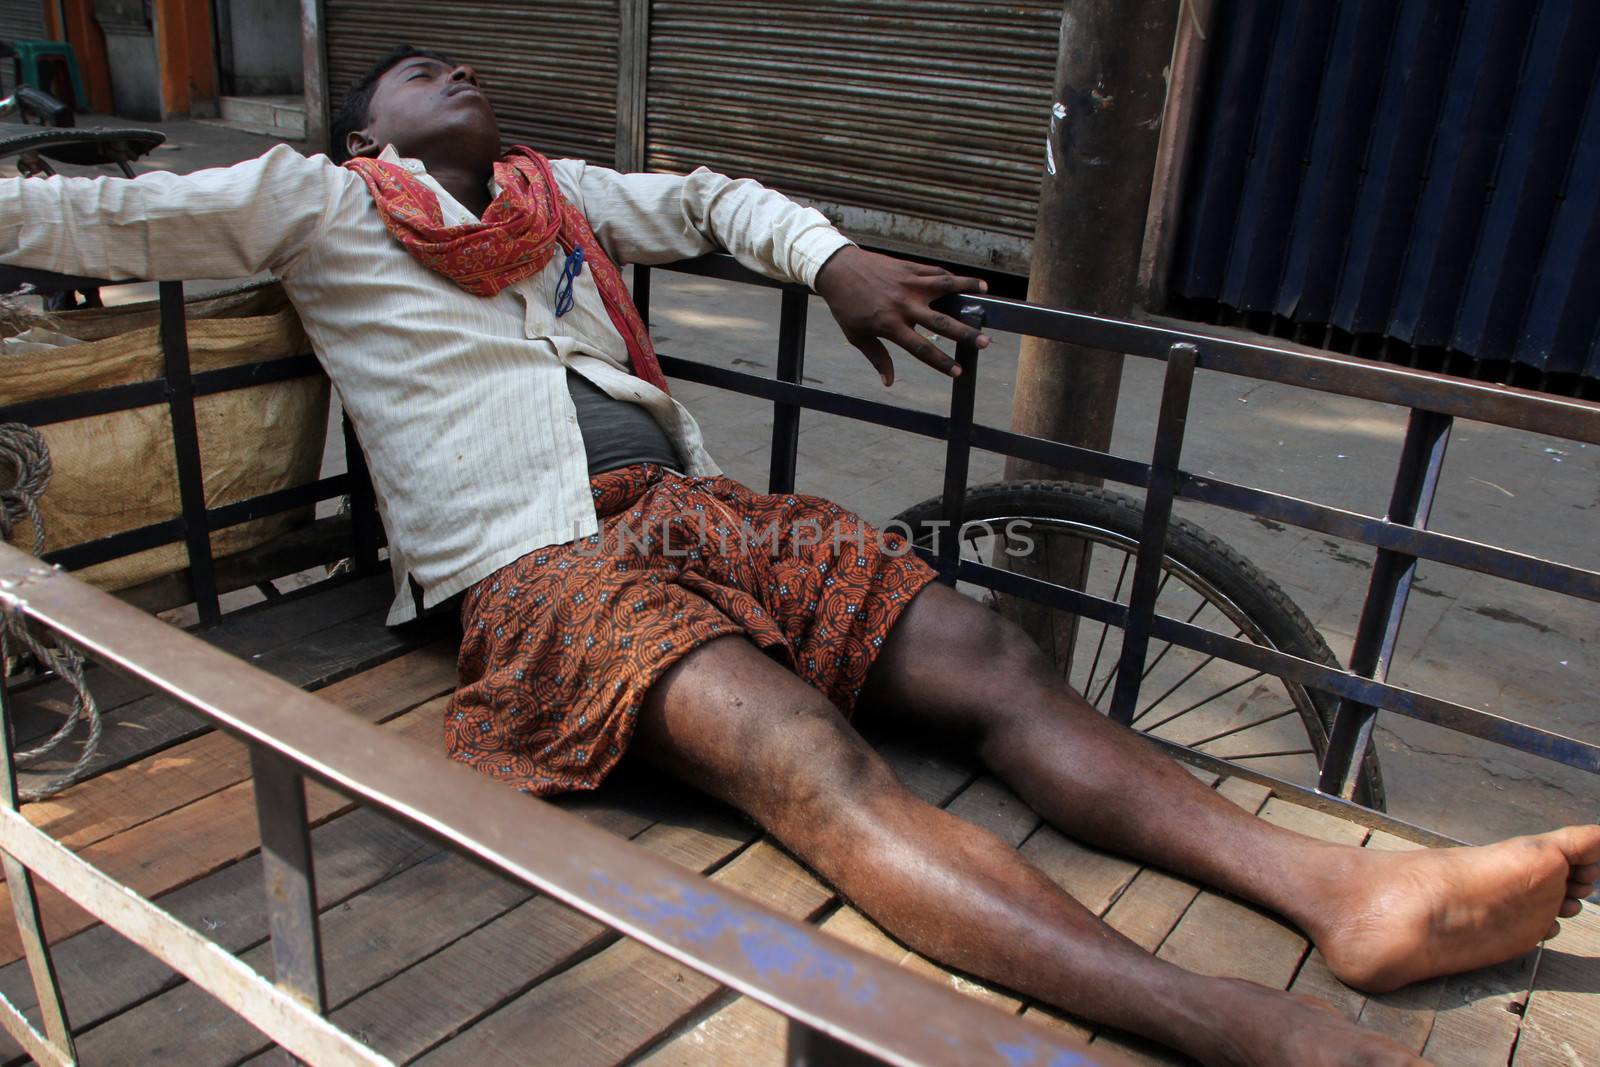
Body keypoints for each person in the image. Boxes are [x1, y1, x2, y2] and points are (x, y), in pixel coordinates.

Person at [1, 44, 1595, 1067]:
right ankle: (1229, 1025)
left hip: (706, 521)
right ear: (370, 128)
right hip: (540, 572)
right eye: (416, 67)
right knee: (809, 756)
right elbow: (82, 226)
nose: (452, 64)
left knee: (988, 661)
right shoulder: (314, 204)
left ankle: (1344, 895)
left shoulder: (561, 203)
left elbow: (704, 195)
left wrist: (830, 259)